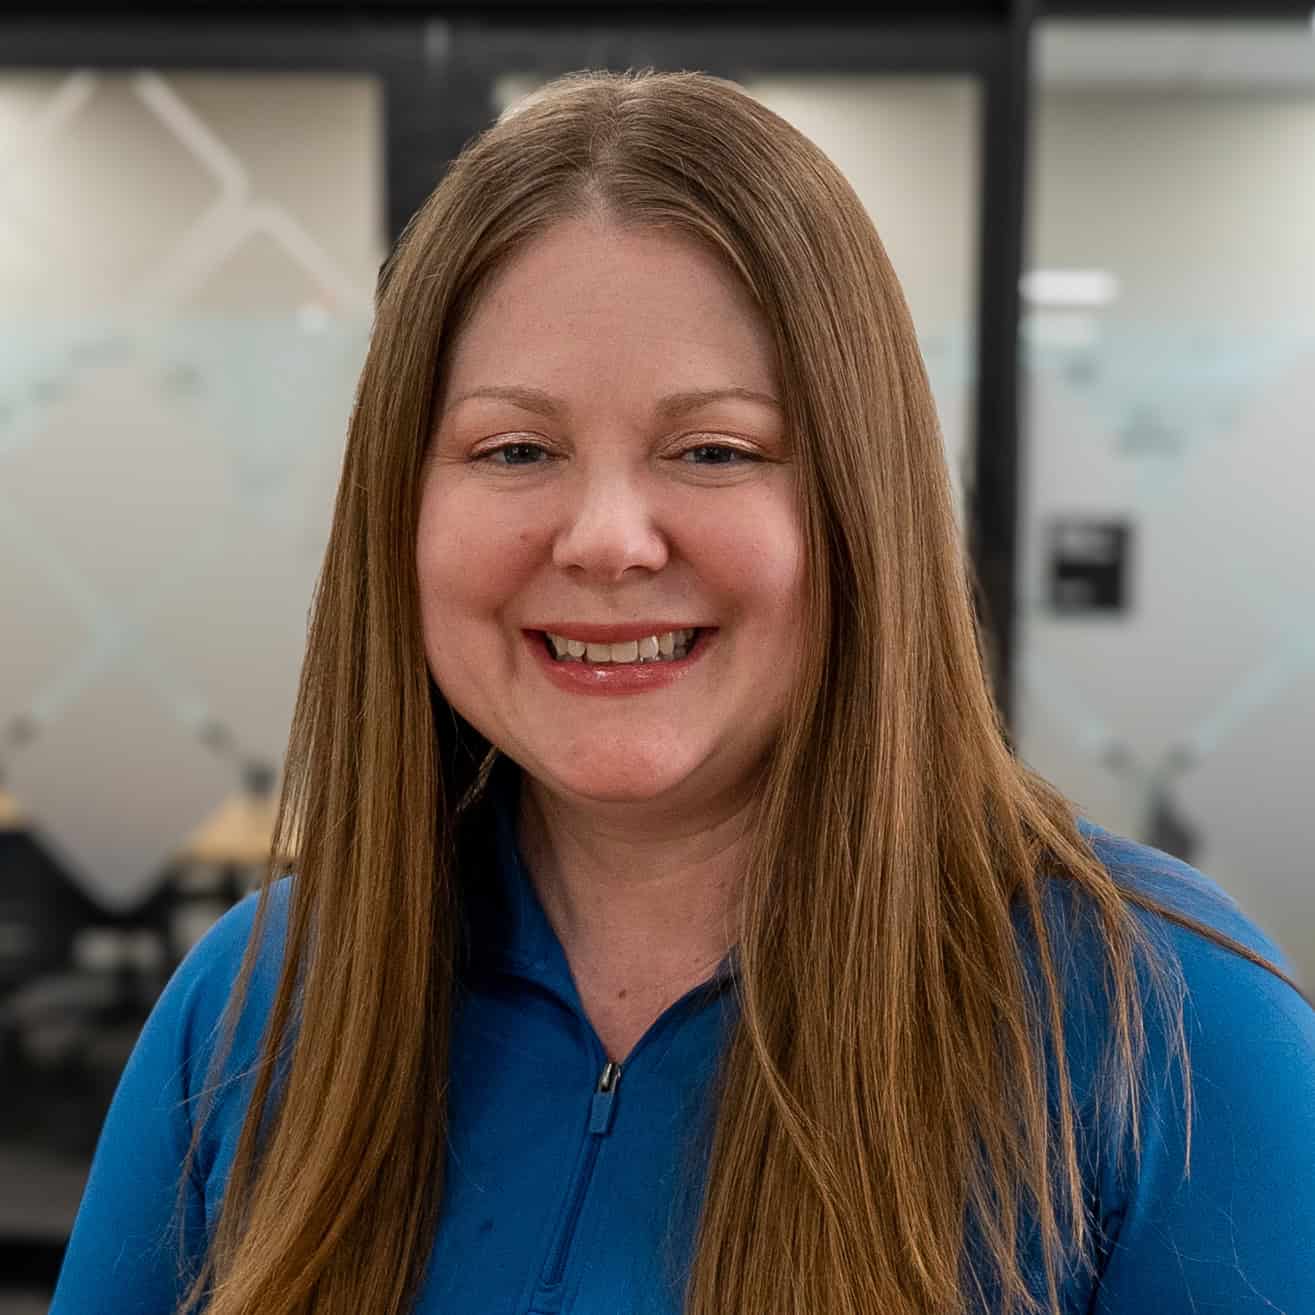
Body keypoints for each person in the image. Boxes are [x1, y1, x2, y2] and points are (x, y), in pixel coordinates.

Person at [49, 69, 1315, 1315]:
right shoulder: (253, 1005)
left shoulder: (1170, 1023)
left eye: (715, 449)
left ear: (858, 508)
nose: (606, 538)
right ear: (401, 506)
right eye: (515, 450)